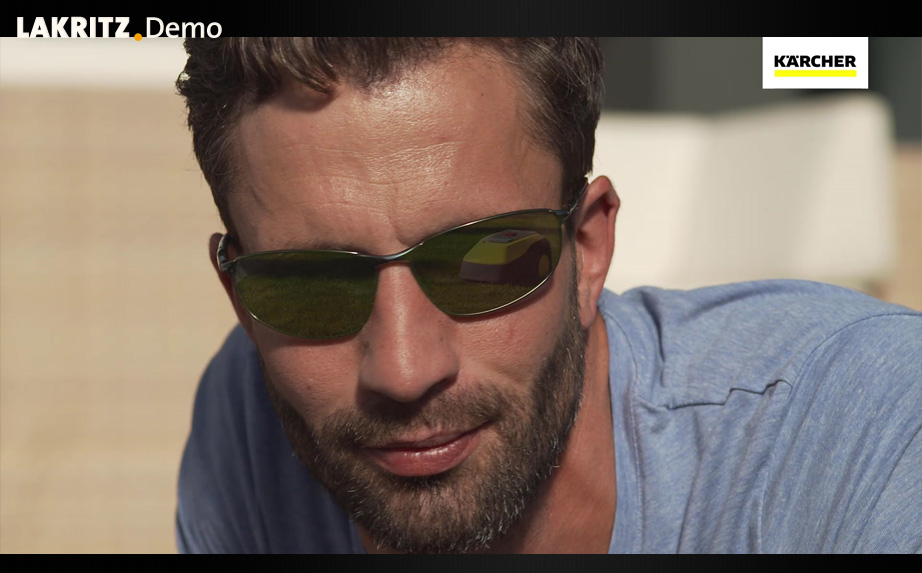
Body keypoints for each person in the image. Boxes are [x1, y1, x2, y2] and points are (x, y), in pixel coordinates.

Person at [174, 38, 921, 553]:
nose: (403, 369)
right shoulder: (246, 417)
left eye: (482, 261)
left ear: (588, 251)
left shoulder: (870, 422)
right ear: (241, 300)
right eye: (311, 283)